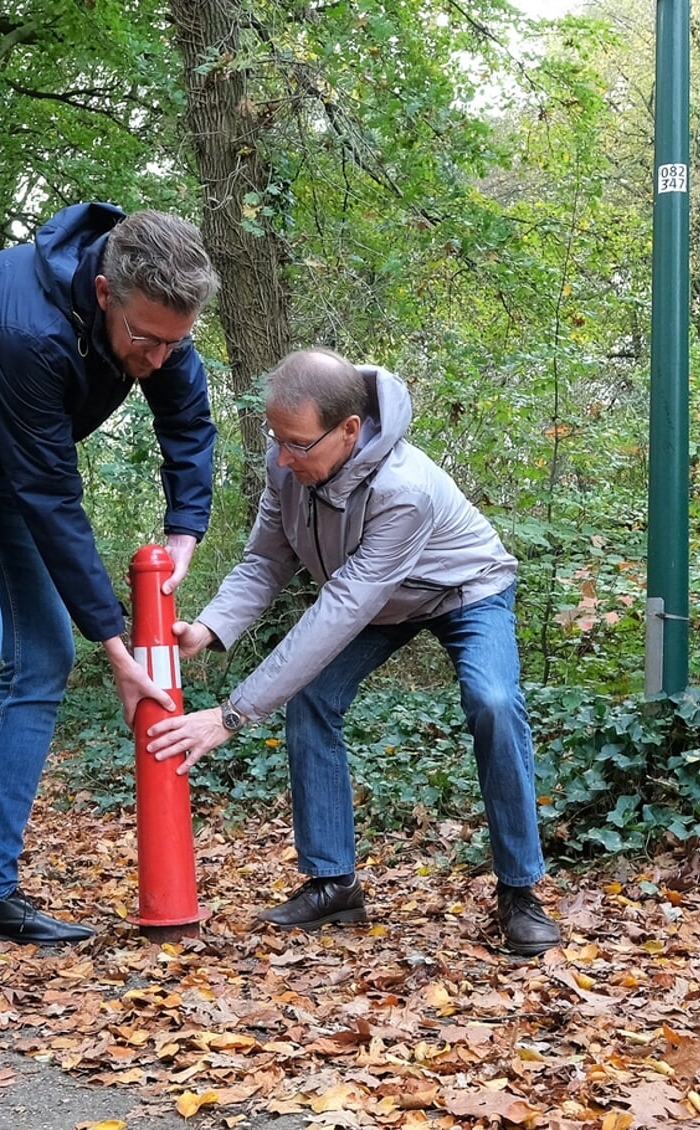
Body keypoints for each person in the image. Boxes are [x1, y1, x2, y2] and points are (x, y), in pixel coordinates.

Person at [0, 204, 219, 982]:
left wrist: (185, 529)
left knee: (46, 654)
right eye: (145, 341)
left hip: (3, 446)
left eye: (175, 342)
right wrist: (118, 646)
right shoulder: (26, 327)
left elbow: (188, 424)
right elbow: (50, 492)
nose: (159, 358)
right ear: (102, 293)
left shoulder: (161, 322)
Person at [144, 348, 560, 955]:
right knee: (312, 695)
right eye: (276, 440)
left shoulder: (404, 489)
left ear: (349, 430)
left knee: (493, 700)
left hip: (463, 590)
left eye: (298, 445)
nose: (283, 458)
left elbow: (341, 608)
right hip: (379, 599)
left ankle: (520, 891)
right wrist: (209, 627)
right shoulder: (289, 463)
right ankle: (333, 883)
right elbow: (267, 558)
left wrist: (232, 714)